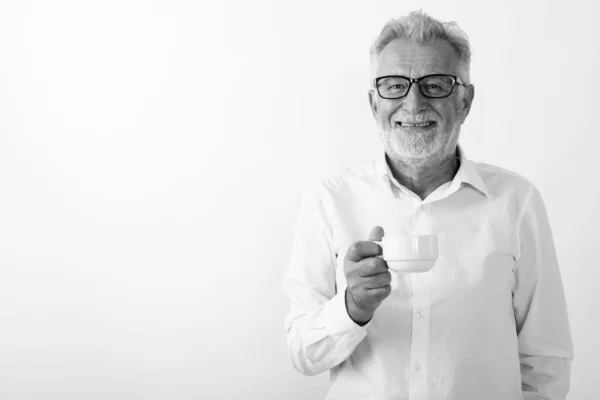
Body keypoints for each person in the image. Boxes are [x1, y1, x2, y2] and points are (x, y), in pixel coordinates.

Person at [283, 10, 574, 400]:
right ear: (374, 103)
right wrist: (352, 307)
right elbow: (303, 353)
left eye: (436, 84)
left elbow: (545, 361)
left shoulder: (516, 202)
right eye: (394, 85)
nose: (414, 103)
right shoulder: (329, 201)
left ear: (465, 101)